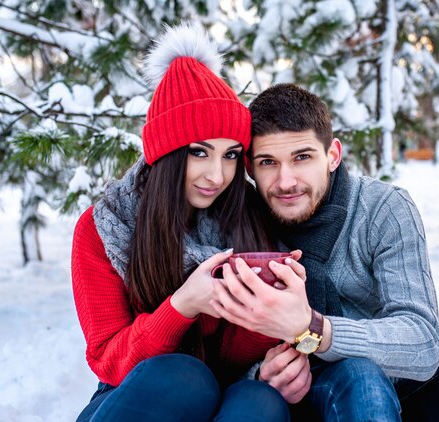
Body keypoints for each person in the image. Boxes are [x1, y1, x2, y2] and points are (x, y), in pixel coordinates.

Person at [210, 83, 439, 421]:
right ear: (249, 168)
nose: (286, 181)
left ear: (333, 155)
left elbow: (423, 343)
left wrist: (313, 329)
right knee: (359, 374)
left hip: (403, 391)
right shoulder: (242, 222)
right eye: (268, 162)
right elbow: (213, 348)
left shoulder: (382, 209)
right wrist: (259, 376)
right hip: (313, 396)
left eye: (302, 157)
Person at [71, 25, 291, 421]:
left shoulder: (248, 215)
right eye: (199, 152)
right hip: (136, 394)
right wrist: (182, 306)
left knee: (261, 403)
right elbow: (108, 360)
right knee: (185, 377)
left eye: (230, 155)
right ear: (166, 153)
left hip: (227, 387)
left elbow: (231, 358)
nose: (217, 176)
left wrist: (263, 304)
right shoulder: (104, 226)